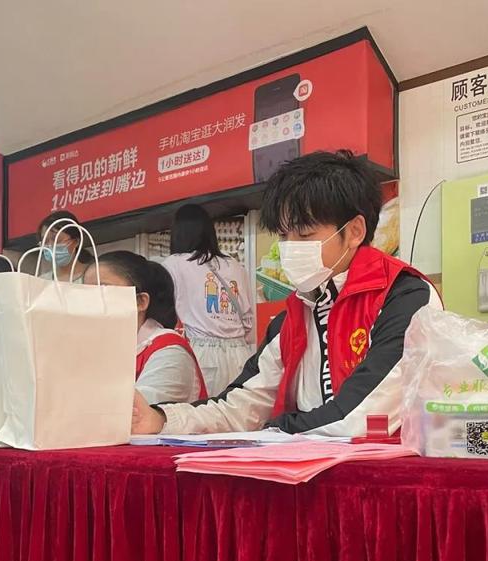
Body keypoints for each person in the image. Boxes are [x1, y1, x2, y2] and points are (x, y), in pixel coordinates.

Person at [133, 150, 442, 437]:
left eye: (304, 234)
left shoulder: (405, 297)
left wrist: (274, 432)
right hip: (308, 464)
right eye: (283, 236)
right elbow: (241, 406)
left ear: (355, 232)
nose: (291, 248)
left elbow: (363, 414)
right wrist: (160, 419)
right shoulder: (293, 317)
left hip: (387, 470)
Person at [83, 251, 206, 405]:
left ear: (140, 301)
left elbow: (133, 412)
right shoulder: (99, 347)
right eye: (86, 293)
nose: (91, 300)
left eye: (103, 290)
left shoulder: (169, 351)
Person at [163, 204, 253, 395]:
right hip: (241, 353)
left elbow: (162, 312)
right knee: (242, 410)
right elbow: (248, 319)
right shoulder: (233, 264)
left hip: (204, 355)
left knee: (204, 410)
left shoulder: (174, 264)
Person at [36, 210, 93, 282]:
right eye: (45, 241)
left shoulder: (95, 276)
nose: (50, 246)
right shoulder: (41, 281)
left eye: (57, 239)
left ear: (75, 241)